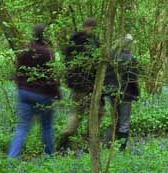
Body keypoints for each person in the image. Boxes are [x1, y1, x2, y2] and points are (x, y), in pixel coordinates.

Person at [8, 23, 61, 158]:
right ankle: (50, 158)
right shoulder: (48, 53)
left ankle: (12, 158)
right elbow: (51, 76)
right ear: (45, 36)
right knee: (47, 126)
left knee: (22, 127)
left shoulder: (25, 49)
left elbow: (18, 72)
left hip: (25, 93)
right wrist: (57, 93)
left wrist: (20, 87)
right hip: (43, 94)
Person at [57, 18, 101, 151]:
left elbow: (67, 62)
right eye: (93, 27)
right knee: (95, 113)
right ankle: (87, 142)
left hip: (78, 84)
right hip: (87, 84)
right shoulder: (89, 43)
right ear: (91, 27)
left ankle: (65, 141)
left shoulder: (73, 40)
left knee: (79, 113)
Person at [104, 34, 141, 151]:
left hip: (112, 93)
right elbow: (133, 79)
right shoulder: (131, 58)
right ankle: (121, 148)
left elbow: (106, 76)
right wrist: (136, 94)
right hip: (126, 93)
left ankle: (108, 144)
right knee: (124, 120)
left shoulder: (110, 56)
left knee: (115, 118)